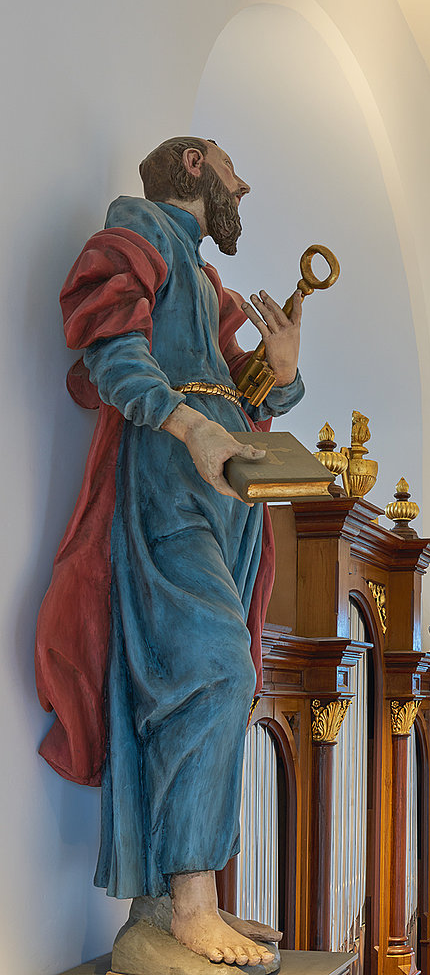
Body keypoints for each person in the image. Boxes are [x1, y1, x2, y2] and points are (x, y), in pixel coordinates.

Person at [35, 137, 305, 967]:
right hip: (169, 479)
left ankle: (174, 902)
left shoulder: (206, 279)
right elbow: (112, 354)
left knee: (221, 679)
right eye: (230, 168)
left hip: (229, 493)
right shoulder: (135, 238)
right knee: (212, 671)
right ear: (192, 165)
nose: (242, 185)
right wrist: (191, 429)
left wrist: (279, 369)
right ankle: (190, 903)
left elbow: (240, 390)